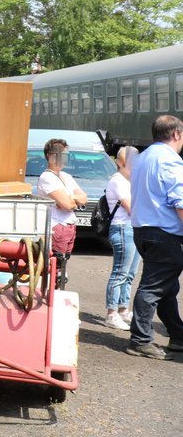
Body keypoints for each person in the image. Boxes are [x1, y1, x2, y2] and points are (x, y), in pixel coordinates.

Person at [126, 114, 183, 360]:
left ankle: (178, 336)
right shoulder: (170, 161)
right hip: (164, 233)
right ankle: (140, 340)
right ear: (177, 134)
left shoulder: (143, 158)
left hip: (143, 231)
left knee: (167, 288)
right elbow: (180, 201)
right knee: (153, 288)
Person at [36, 137, 87, 290]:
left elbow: (83, 198)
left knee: (63, 265)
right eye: (64, 155)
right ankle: (50, 295)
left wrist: (71, 200)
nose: (67, 158)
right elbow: (68, 204)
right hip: (57, 226)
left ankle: (56, 294)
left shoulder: (66, 176)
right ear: (52, 156)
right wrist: (72, 200)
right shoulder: (47, 177)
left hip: (70, 226)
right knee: (55, 267)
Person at [103, 146, 140, 329]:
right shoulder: (118, 181)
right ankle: (111, 313)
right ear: (119, 162)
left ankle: (124, 309)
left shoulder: (132, 181)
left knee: (130, 274)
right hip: (123, 229)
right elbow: (132, 208)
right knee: (119, 273)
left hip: (133, 229)